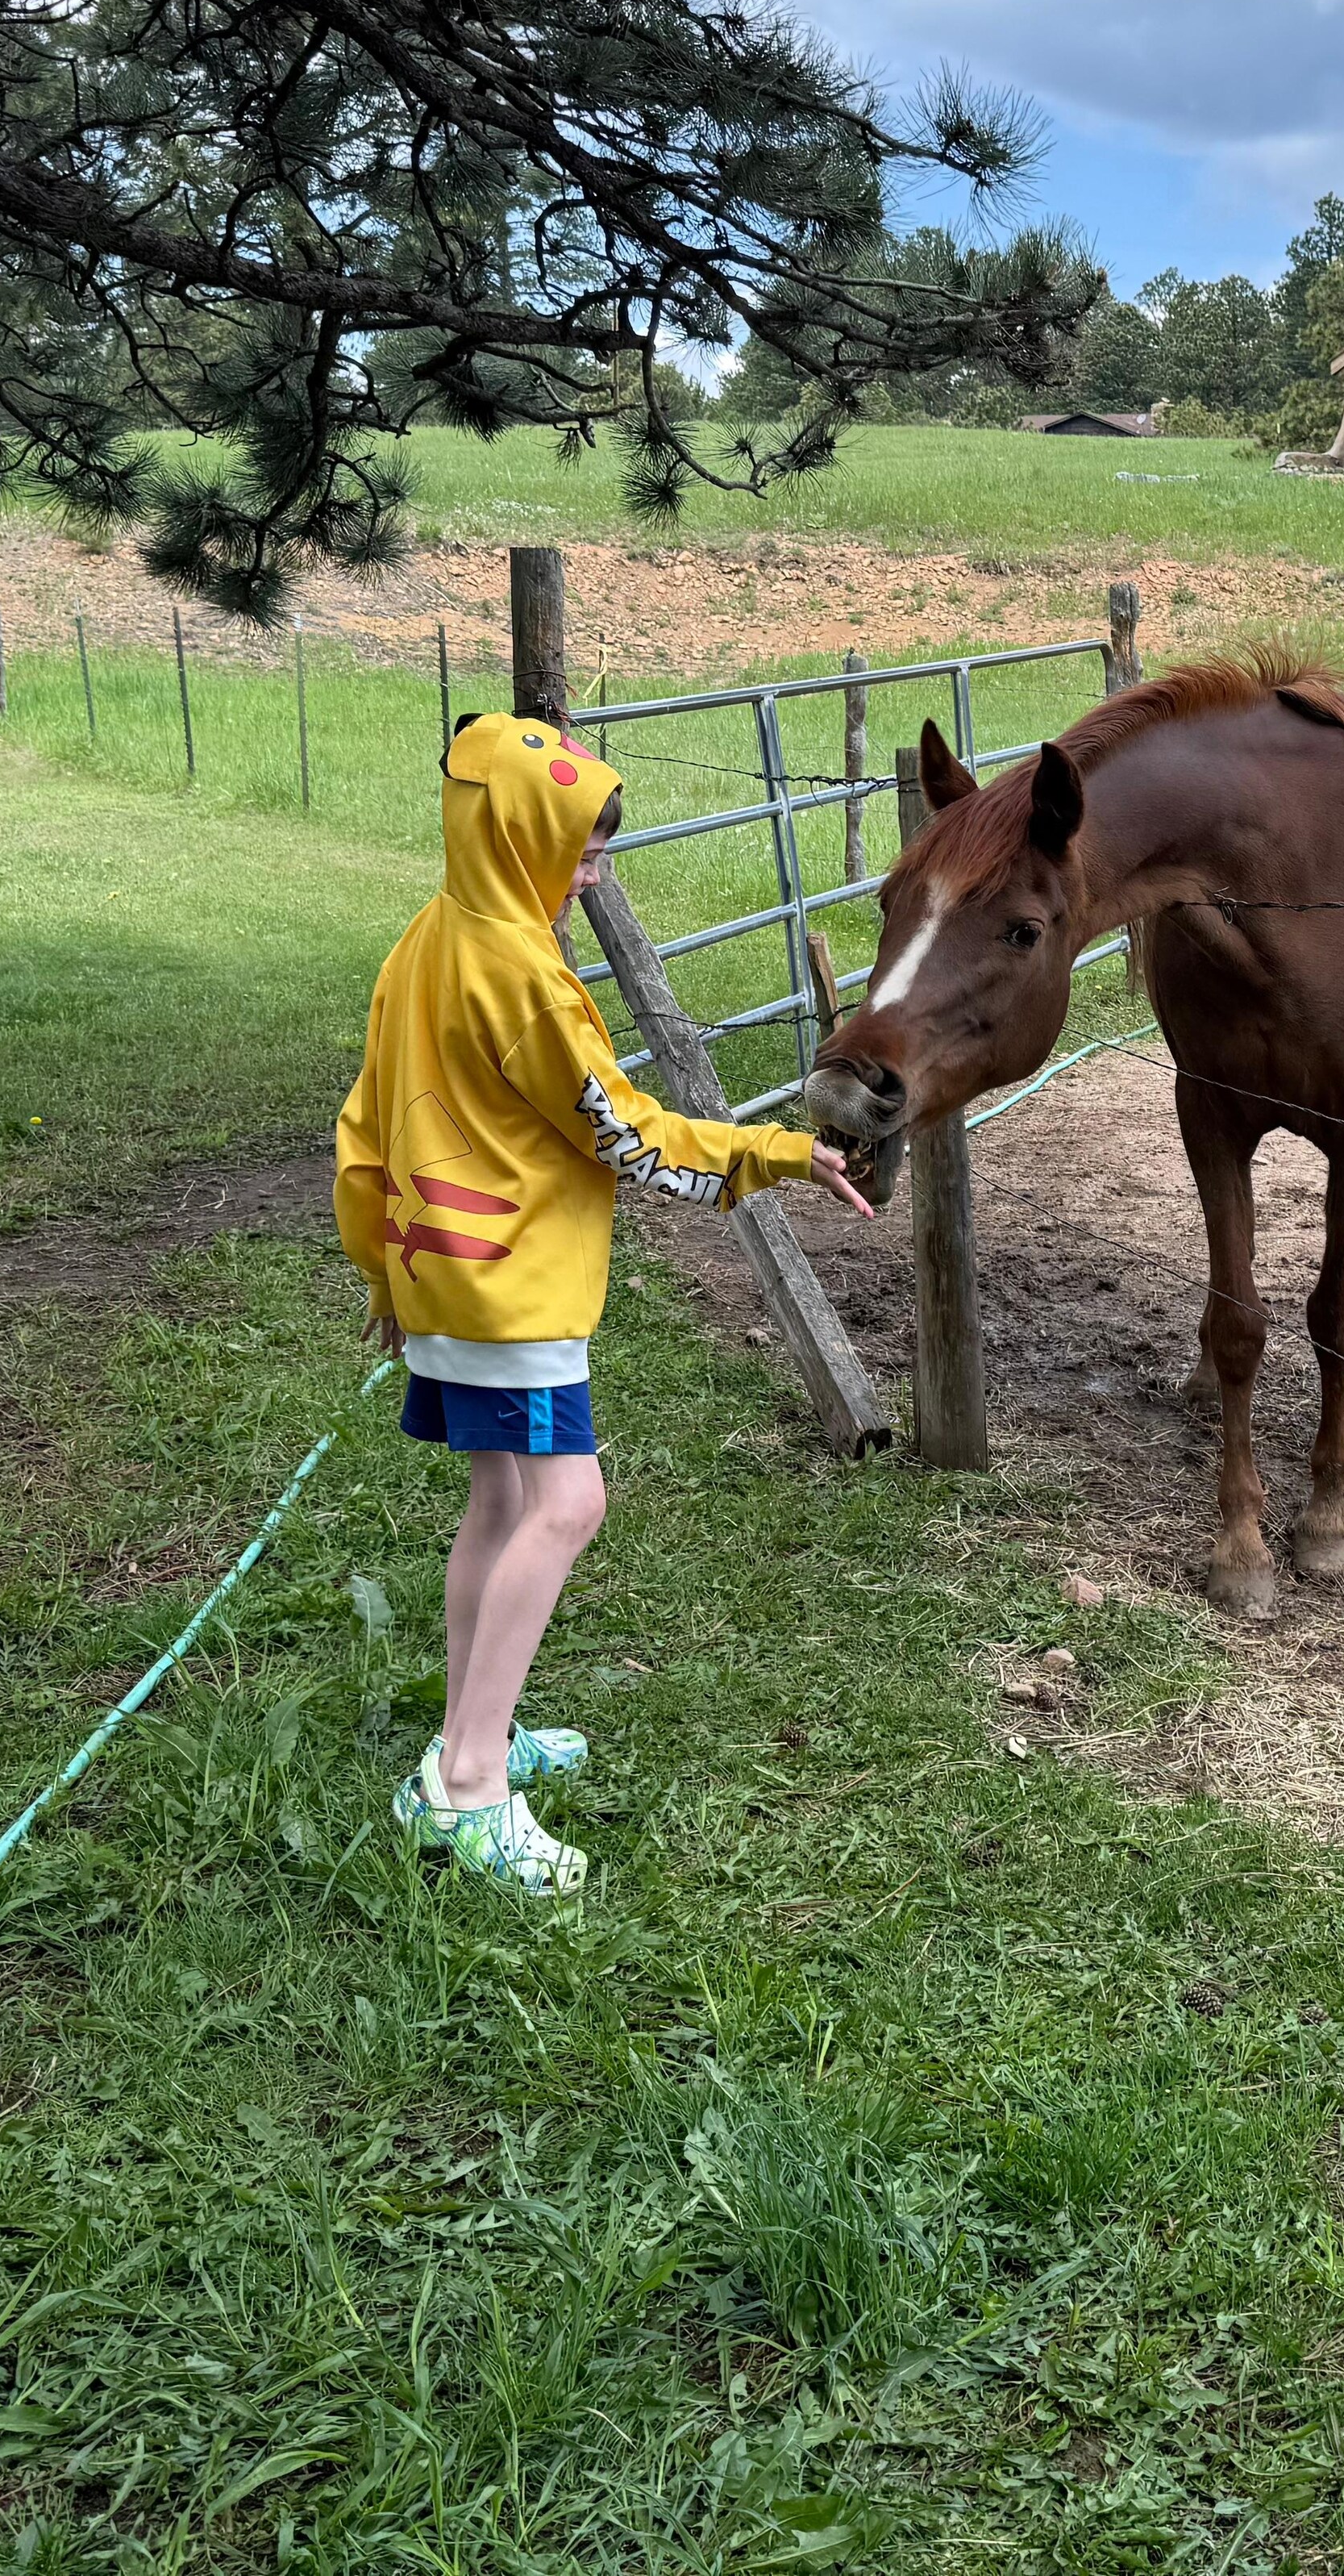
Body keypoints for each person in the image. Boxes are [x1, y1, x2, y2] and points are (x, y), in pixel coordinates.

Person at [335, 711, 873, 1897]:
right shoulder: (523, 974)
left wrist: (383, 1267)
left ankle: (477, 1725)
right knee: (570, 1502)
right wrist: (778, 1152)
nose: (595, 876)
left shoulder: (433, 934)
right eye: (580, 854)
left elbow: (364, 1122)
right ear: (519, 839)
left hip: (440, 1269)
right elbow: (625, 1131)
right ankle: (469, 1787)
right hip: (510, 1285)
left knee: (502, 1499)